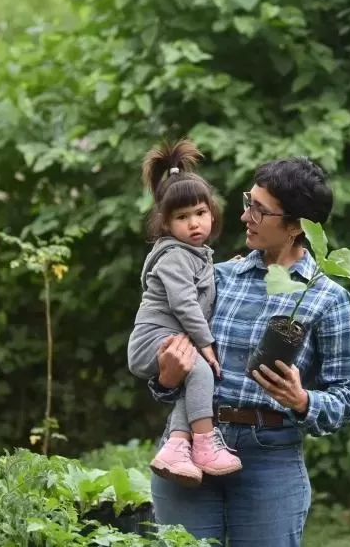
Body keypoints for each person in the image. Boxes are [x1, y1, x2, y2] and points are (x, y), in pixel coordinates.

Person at [145, 157, 350, 547]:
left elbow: (346, 397)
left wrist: (301, 400)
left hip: (270, 459)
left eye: (260, 210)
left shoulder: (329, 300)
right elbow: (170, 377)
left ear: (297, 226)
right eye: (250, 201)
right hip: (191, 449)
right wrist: (165, 377)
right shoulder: (217, 277)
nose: (245, 216)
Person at [127, 139, 242, 488]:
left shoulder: (195, 255)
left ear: (212, 212)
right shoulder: (174, 255)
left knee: (196, 383)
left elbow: (199, 285)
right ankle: (205, 444)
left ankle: (177, 445)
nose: (194, 224)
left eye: (200, 213)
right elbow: (184, 302)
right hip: (152, 341)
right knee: (203, 369)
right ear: (165, 223)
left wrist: (224, 269)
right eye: (182, 217)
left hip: (170, 339)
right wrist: (205, 343)